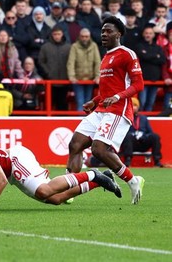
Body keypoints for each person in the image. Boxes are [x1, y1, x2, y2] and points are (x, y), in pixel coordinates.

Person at [66, 16, 145, 205]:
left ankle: (133, 181)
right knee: (75, 144)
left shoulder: (127, 54)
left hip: (118, 110)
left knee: (99, 150)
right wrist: (94, 101)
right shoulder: (106, 57)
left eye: (108, 31)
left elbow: (139, 84)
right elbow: (106, 91)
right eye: (102, 31)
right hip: (102, 108)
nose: (104, 34)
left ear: (118, 34)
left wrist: (118, 97)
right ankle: (70, 187)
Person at [0, 138, 121, 211]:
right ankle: (100, 180)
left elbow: (0, 179)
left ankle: (92, 175)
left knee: (44, 191)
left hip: (14, 159)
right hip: (10, 173)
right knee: (56, 199)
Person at [120, 98, 163, 167]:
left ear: (138, 107)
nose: (133, 108)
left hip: (143, 142)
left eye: (135, 105)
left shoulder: (143, 118)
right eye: (132, 105)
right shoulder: (125, 118)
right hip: (131, 143)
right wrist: (133, 134)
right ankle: (127, 160)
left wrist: (144, 136)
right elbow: (122, 132)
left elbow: (150, 132)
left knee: (155, 136)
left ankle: (157, 161)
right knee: (128, 136)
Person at [67, 28, 101, 111]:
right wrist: (71, 76)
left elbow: (97, 62)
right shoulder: (75, 46)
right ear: (79, 37)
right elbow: (71, 62)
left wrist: (98, 76)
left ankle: (87, 122)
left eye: (86, 36)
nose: (84, 38)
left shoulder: (94, 46)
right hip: (78, 80)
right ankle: (80, 122)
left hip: (90, 79)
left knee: (88, 102)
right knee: (80, 102)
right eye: (82, 36)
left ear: (89, 37)